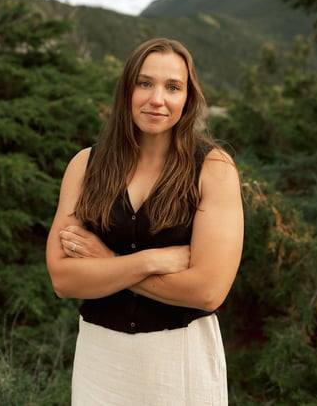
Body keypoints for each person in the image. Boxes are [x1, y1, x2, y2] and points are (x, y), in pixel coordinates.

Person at [46, 37, 244, 405]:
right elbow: (62, 278)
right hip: (100, 358)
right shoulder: (84, 166)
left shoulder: (213, 169)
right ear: (127, 90)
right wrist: (148, 261)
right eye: (145, 83)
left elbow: (208, 291)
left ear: (188, 98)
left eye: (173, 87)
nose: (157, 98)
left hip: (180, 358)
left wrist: (107, 264)